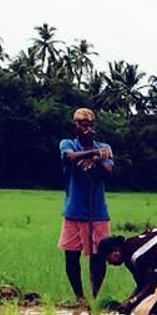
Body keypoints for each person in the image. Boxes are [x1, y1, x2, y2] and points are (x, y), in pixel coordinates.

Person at [58, 107, 114, 303]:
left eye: (90, 125)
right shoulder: (68, 144)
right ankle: (79, 297)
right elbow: (69, 157)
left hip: (97, 212)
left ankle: (94, 296)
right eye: (83, 125)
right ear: (76, 126)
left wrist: (98, 159)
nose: (87, 129)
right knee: (71, 256)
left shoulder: (104, 147)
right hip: (74, 210)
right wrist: (92, 152)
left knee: (99, 256)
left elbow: (109, 172)